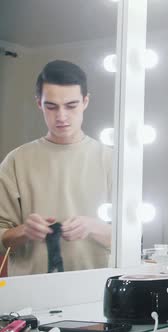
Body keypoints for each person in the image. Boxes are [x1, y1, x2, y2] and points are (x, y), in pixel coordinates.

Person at [0, 60, 112, 276]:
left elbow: (133, 240)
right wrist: (25, 231)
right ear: (39, 104)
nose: (61, 116)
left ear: (85, 101)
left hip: (96, 290)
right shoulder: (16, 161)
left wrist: (92, 226)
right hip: (29, 296)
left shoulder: (111, 161)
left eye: (71, 106)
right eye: (51, 106)